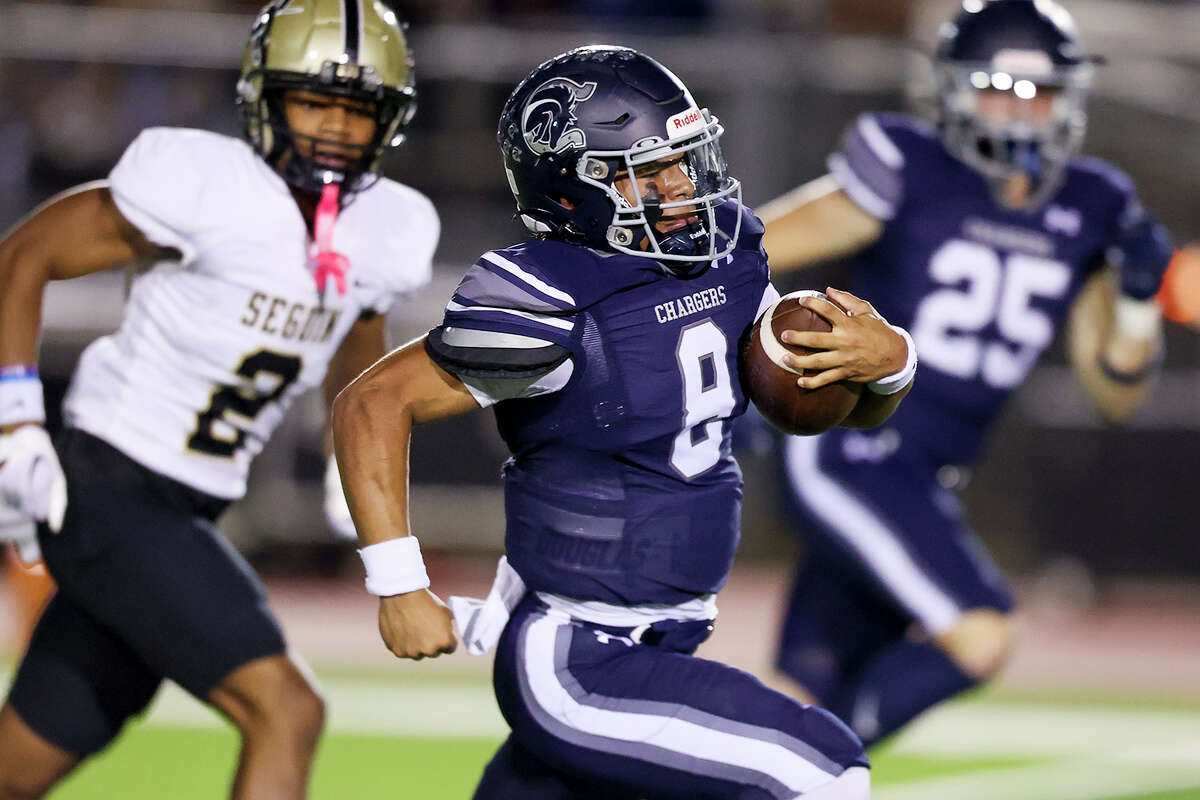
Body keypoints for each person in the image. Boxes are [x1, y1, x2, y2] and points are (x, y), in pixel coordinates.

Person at [334, 44, 917, 800]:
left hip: (665, 635)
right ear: (572, 191)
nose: (681, 185)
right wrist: (399, 583)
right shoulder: (548, 300)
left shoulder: (725, 258)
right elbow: (372, 403)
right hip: (577, 659)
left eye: (684, 158)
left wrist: (889, 362)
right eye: (648, 171)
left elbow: (815, 401)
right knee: (820, 770)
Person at [0, 1, 439, 797]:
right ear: (264, 98)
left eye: (358, 108)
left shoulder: (390, 226)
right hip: (110, 489)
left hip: (190, 507)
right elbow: (21, 258)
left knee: (20, 762)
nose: (337, 128)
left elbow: (360, 355)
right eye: (315, 101)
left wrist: (356, 468)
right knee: (288, 710)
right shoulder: (204, 184)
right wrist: (15, 421)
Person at [757, 0, 1173, 747]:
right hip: (852, 450)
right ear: (951, 88)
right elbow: (750, 250)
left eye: (1040, 92)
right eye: (1001, 89)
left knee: (799, 692)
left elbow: (1116, 392)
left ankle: (753, 771)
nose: (1022, 112)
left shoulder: (1092, 202)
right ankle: (804, 771)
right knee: (981, 634)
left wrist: (1139, 306)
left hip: (926, 478)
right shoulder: (909, 166)